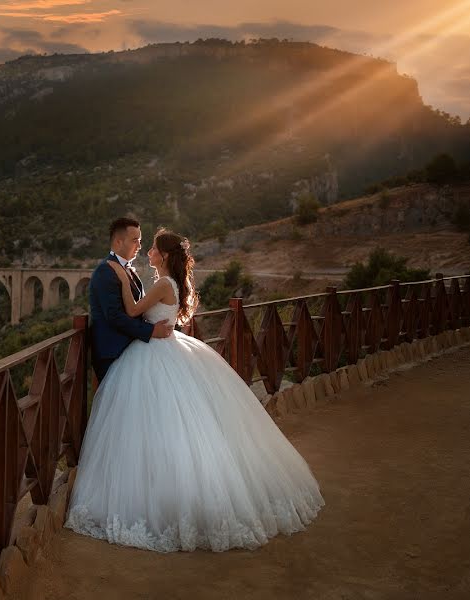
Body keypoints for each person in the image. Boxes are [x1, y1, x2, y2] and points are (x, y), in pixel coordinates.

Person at [66, 228, 324, 552]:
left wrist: (119, 278)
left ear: (166, 255)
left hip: (154, 354)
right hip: (169, 347)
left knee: (152, 426)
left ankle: (160, 498)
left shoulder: (162, 283)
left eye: (154, 250)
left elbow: (132, 311)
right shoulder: (169, 283)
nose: (148, 254)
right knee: (177, 428)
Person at [89, 217, 174, 384]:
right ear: (119, 242)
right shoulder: (106, 271)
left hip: (132, 352)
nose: (140, 246)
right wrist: (151, 331)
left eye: (140, 241)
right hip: (113, 353)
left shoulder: (128, 270)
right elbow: (114, 316)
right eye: (135, 240)